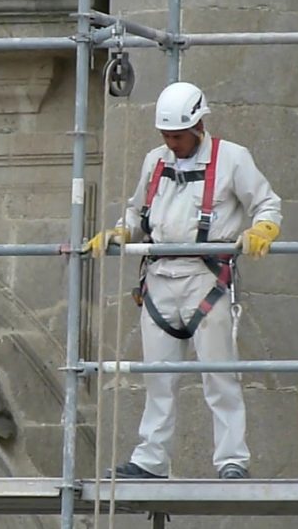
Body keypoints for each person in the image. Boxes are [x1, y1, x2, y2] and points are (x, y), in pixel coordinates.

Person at [86, 81, 282, 480]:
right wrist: (121, 232)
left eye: (177, 136)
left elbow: (267, 202)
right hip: (159, 277)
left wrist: (263, 229)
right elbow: (138, 212)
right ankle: (152, 459)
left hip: (204, 278)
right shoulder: (154, 162)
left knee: (219, 375)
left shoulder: (232, 159)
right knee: (158, 378)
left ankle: (231, 459)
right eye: (166, 136)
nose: (171, 143)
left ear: (198, 126)